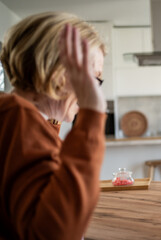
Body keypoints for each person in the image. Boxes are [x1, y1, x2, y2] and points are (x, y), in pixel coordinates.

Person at [0, 12, 107, 239]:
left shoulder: (19, 116)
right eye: (92, 78)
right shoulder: (18, 115)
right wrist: (93, 113)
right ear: (57, 71)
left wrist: (55, 122)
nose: (94, 89)